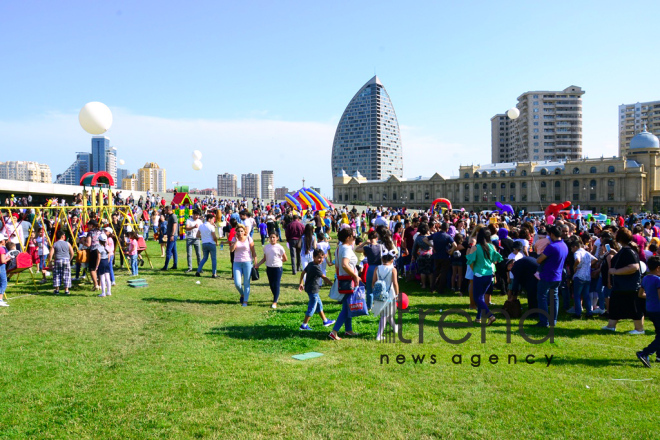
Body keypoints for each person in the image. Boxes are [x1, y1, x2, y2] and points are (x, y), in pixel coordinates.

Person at [602, 228, 645, 334]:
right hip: (621, 286)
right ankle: (611, 325)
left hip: (629, 286)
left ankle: (639, 329)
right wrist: (615, 253)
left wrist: (615, 271)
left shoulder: (628, 251)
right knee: (615, 305)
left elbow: (633, 267)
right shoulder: (625, 250)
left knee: (634, 308)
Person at [329, 228, 360, 341]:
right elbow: (344, 265)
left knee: (347, 305)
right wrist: (355, 276)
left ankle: (348, 329)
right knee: (347, 308)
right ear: (348, 238)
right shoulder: (346, 249)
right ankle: (334, 331)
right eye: (353, 236)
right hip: (349, 281)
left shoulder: (339, 248)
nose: (354, 238)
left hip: (343, 280)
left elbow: (338, 266)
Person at [466, 228, 502, 326]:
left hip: (479, 274)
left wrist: (475, 271)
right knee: (481, 296)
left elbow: (470, 262)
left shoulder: (475, 247)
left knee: (477, 298)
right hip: (489, 274)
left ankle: (490, 315)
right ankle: (478, 318)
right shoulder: (492, 246)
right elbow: (495, 261)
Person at [536, 225, 569, 328]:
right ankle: (553, 320)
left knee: (542, 297)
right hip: (558, 276)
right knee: (554, 298)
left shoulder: (552, 246)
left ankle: (543, 321)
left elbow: (539, 260)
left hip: (547, 275)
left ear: (552, 234)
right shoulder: (564, 245)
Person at [298, 249, 335, 330]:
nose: (321, 260)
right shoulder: (315, 267)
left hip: (310, 289)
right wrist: (333, 285)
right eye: (318, 258)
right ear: (313, 257)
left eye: (322, 258)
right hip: (313, 290)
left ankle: (325, 321)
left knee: (319, 306)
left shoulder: (310, 264)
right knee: (312, 308)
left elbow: (303, 273)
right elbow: (324, 277)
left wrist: (301, 283)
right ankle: (304, 325)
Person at [636, 255, 660, 367]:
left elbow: (640, 294)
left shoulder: (645, 278)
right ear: (658, 268)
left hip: (650, 309)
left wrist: (650, 296)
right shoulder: (658, 280)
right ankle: (645, 353)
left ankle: (659, 355)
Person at [373, 244, 399, 341]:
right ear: (392, 260)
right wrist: (397, 294)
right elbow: (395, 283)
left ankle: (394, 327)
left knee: (387, 313)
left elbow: (373, 282)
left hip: (379, 293)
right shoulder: (393, 269)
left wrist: (375, 291)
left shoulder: (377, 268)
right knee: (384, 314)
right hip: (390, 293)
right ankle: (379, 335)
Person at [255, 232, 287, 308]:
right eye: (271, 237)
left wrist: (279, 262)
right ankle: (275, 296)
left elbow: (285, 258)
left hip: (277, 268)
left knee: (276, 284)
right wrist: (258, 265)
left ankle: (275, 301)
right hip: (269, 268)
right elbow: (265, 258)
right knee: (271, 285)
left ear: (277, 238)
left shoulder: (280, 247)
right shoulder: (266, 247)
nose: (272, 239)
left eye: (274, 237)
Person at [230, 224, 256, 306]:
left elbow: (253, 251)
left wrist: (256, 262)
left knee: (246, 283)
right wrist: (236, 241)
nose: (240, 233)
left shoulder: (249, 238)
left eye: (241, 231)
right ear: (236, 232)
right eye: (238, 231)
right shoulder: (234, 239)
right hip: (237, 263)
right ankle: (242, 293)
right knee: (237, 283)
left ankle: (245, 301)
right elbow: (231, 250)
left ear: (244, 232)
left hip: (247, 262)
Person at [571, 238, 597, 319]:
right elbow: (595, 259)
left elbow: (577, 260)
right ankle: (589, 312)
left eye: (571, 248)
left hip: (579, 276)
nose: (571, 250)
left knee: (577, 295)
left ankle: (578, 313)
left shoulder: (577, 253)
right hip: (587, 277)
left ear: (575, 247)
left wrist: (574, 267)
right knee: (586, 295)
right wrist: (588, 264)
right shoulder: (586, 253)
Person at [431, 222, 456, 294]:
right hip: (445, 256)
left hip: (436, 256)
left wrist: (432, 246)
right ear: (447, 229)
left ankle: (432, 288)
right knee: (443, 273)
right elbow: (455, 245)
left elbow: (425, 239)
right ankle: (441, 289)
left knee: (435, 272)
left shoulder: (435, 235)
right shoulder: (448, 236)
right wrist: (451, 251)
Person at [49, 230, 74, 295]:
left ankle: (57, 290)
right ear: (63, 236)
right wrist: (70, 260)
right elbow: (72, 253)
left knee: (57, 274)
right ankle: (66, 290)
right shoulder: (68, 243)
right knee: (67, 275)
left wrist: (50, 262)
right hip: (66, 260)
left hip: (58, 260)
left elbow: (50, 254)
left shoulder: (55, 244)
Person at [196, 213, 219, 278]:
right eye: (212, 220)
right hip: (211, 243)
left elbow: (197, 235)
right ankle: (214, 273)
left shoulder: (201, 226)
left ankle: (198, 270)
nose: (213, 221)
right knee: (213, 259)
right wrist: (217, 242)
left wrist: (203, 236)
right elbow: (214, 237)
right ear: (209, 219)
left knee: (204, 258)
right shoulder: (211, 227)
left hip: (204, 243)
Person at [85, 220, 102, 291]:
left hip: (94, 251)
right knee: (99, 268)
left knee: (92, 268)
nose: (87, 226)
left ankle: (95, 285)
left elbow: (88, 244)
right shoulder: (101, 232)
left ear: (91, 225)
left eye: (88, 225)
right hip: (101, 250)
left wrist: (82, 241)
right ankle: (100, 284)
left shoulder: (90, 233)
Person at [162, 206, 178, 270]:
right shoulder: (170, 216)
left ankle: (166, 266)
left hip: (172, 235)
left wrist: (172, 235)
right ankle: (175, 265)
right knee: (174, 250)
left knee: (168, 250)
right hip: (171, 235)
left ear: (168, 210)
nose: (165, 211)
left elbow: (174, 225)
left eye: (165, 210)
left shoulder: (173, 216)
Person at [0, 233, 9, 306]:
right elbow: (3, 261)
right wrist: (9, 258)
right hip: (1, 267)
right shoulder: (2, 249)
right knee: (3, 283)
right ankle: (0, 299)